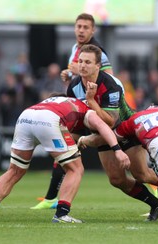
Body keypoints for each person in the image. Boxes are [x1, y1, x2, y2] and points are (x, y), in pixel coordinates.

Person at [0, 95, 130, 223]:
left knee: (15, 170)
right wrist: (117, 150)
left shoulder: (60, 100)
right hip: (48, 120)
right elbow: (103, 127)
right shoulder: (88, 109)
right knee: (75, 169)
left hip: (26, 116)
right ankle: (62, 214)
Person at [66, 44, 158, 221]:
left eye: (87, 62)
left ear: (98, 65)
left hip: (126, 129)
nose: (82, 65)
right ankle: (157, 204)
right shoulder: (74, 86)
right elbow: (76, 116)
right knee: (116, 180)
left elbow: (110, 121)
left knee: (141, 175)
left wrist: (91, 100)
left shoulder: (110, 85)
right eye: (80, 61)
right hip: (103, 134)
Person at [32, 12, 113, 210]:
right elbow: (76, 76)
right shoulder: (75, 49)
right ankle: (52, 197)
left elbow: (110, 78)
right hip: (81, 107)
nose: (81, 30)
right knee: (64, 144)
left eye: (86, 27)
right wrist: (68, 74)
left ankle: (155, 184)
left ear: (92, 30)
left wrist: (79, 71)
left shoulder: (98, 52)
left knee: (121, 173)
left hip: (98, 111)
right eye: (79, 26)